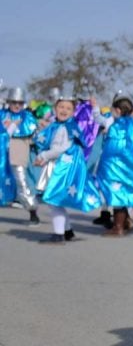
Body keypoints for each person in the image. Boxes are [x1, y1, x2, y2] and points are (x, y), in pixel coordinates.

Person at [32, 97, 103, 243]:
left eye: (68, 108)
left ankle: (59, 235)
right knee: (56, 201)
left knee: (54, 200)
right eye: (61, 107)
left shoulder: (67, 127)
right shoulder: (59, 125)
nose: (64, 110)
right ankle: (67, 231)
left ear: (73, 112)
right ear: (55, 108)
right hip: (58, 165)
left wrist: (42, 156)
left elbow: (61, 148)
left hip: (62, 168)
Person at [93, 96, 133, 236]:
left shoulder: (117, 126)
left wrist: (105, 163)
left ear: (118, 110)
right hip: (131, 166)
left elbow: (113, 148)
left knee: (116, 194)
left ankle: (118, 227)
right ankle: (125, 222)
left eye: (113, 110)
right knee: (123, 193)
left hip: (116, 166)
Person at [2, 87, 41, 223]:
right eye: (14, 102)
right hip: (2, 155)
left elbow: (33, 136)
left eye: (19, 103)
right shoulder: (2, 114)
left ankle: (33, 212)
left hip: (17, 155)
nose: (17, 105)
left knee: (22, 183)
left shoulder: (27, 117)